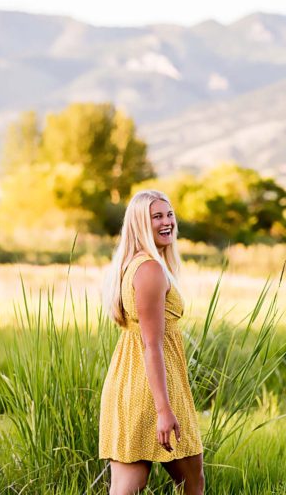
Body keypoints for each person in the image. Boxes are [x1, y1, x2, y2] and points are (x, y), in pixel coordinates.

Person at [99, 189, 204, 495]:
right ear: (140, 224)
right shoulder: (150, 270)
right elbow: (152, 344)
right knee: (192, 484)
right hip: (152, 388)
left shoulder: (130, 264)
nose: (167, 221)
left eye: (169, 214)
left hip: (128, 384)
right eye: (156, 216)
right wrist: (164, 410)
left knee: (126, 487)